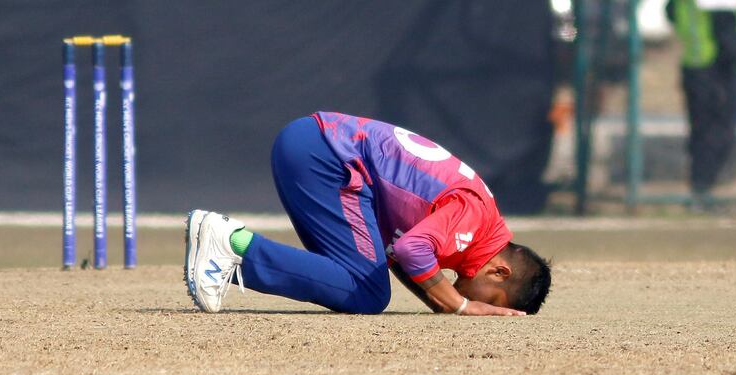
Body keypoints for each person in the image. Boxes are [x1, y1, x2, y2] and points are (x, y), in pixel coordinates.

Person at [184, 112, 551, 316]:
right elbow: (411, 251)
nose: (480, 305)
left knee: (359, 286)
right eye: (492, 301)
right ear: (499, 271)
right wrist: (459, 305)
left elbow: (399, 256)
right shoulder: (475, 220)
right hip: (328, 157)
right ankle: (230, 242)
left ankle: (222, 256)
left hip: (314, 146)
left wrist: (438, 299)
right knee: (367, 293)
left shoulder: (476, 223)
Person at [667, 0, 736, 209]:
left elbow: (671, 13)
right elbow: (726, 33)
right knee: (718, 132)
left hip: (694, 67)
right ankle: (702, 189)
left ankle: (701, 189)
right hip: (717, 69)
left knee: (703, 132)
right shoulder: (717, 8)